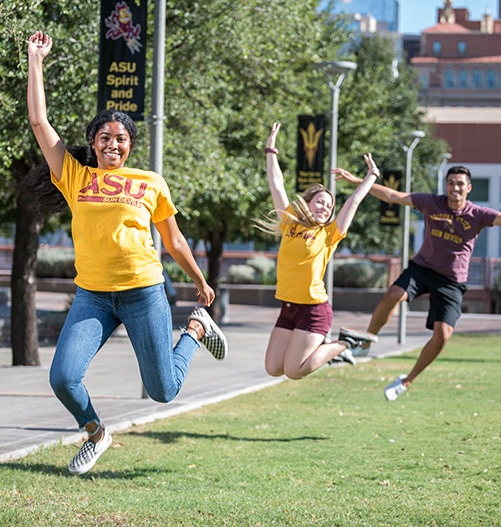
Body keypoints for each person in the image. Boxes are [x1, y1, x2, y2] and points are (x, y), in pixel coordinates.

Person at [27, 31, 228, 475]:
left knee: (163, 391)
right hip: (93, 296)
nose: (112, 144)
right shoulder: (74, 175)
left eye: (120, 138)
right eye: (104, 137)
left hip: (143, 292)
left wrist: (199, 280)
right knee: (62, 377)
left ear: (130, 145)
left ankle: (194, 331)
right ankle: (96, 432)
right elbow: (40, 123)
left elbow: (173, 240)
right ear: (93, 142)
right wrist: (35, 60)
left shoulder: (150, 182)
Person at [334, 154, 501, 401]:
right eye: (451, 183)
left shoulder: (478, 214)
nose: (454, 188)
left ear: (468, 188)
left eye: (460, 183)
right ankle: (367, 341)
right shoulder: (431, 203)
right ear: (445, 186)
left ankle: (407, 381)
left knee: (443, 336)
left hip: (451, 281)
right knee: (393, 294)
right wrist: (358, 181)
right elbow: (393, 196)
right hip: (422, 269)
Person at [259, 122, 378, 380]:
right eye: (320, 202)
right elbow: (276, 184)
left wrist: (371, 176)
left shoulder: (329, 234)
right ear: (309, 203)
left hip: (314, 310)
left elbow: (354, 201)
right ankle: (336, 350)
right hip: (288, 307)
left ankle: (344, 344)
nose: (325, 207)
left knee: (294, 371)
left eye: (329, 205)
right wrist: (271, 151)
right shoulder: (289, 221)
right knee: (273, 367)